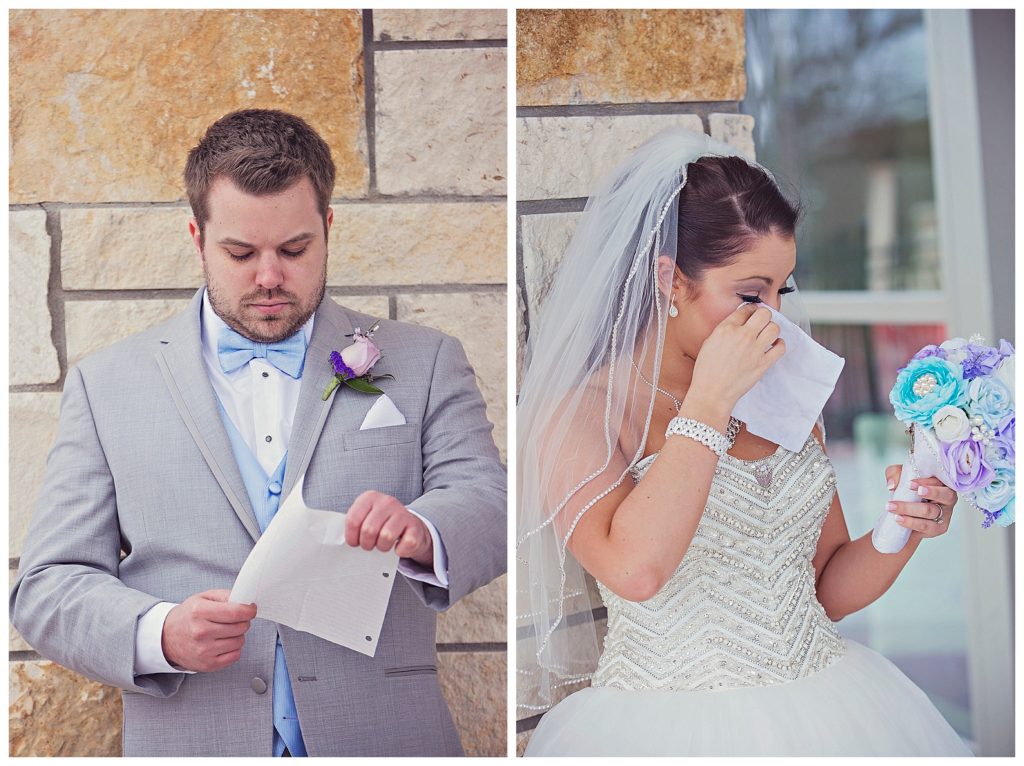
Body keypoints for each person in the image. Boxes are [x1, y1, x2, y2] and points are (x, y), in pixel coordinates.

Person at [11, 109, 506, 757]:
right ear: (197, 238)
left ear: (327, 229)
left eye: (294, 250)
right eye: (241, 253)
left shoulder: (423, 359)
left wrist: (425, 531)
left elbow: (490, 502)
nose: (269, 276)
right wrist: (157, 633)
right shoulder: (107, 385)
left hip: (383, 738)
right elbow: (48, 584)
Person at [516, 127, 972, 756]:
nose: (772, 317)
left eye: (782, 290)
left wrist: (904, 525)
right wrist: (707, 404)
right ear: (671, 280)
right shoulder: (587, 414)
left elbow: (827, 590)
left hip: (835, 711)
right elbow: (637, 571)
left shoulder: (778, 391)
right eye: (750, 294)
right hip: (665, 730)